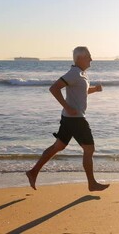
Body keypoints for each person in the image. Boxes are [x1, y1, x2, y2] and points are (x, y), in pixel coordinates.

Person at [26, 46, 109, 192]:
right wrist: (68, 107)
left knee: (58, 146)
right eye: (89, 56)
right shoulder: (74, 73)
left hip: (69, 118)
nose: (91, 59)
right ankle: (92, 183)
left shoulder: (81, 74)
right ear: (80, 58)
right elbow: (54, 88)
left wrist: (94, 89)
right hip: (75, 118)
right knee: (89, 149)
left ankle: (33, 172)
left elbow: (81, 92)